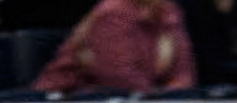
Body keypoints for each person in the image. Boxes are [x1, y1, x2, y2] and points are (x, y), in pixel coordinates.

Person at [34, 0, 197, 95]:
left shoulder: (169, 13)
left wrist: (173, 97)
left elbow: (184, 72)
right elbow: (118, 76)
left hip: (144, 101)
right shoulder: (113, 12)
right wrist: (158, 101)